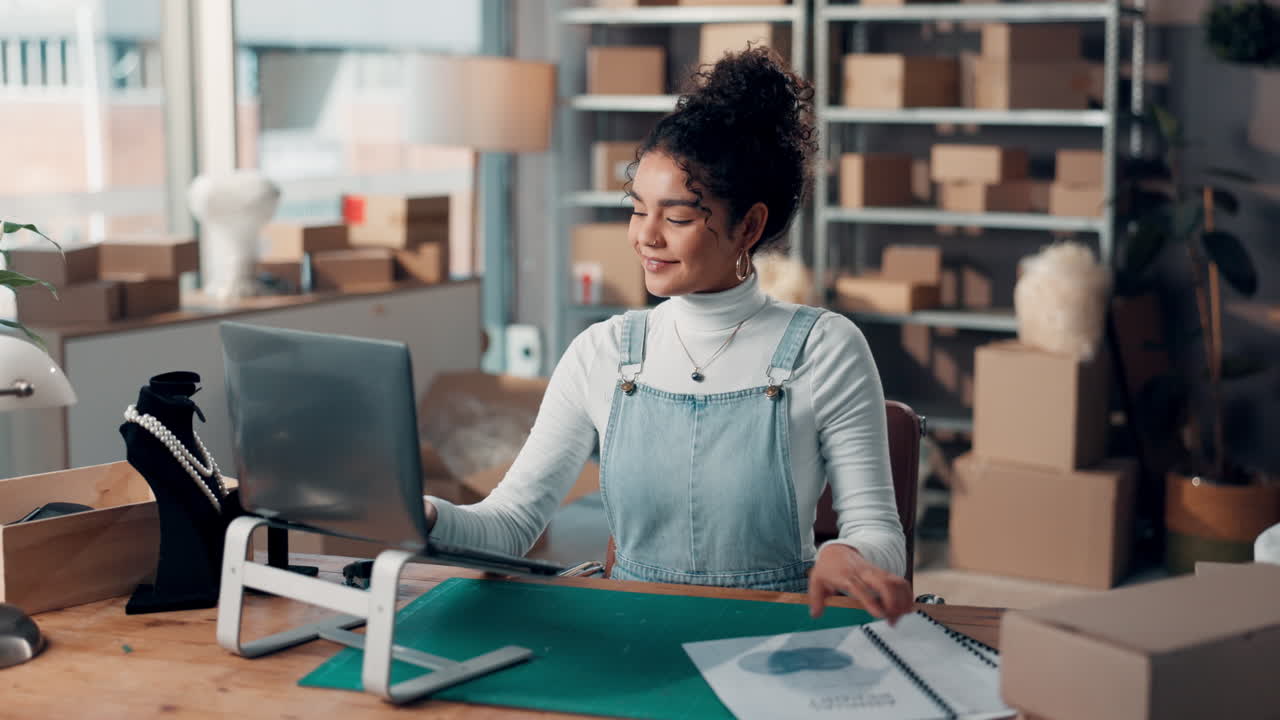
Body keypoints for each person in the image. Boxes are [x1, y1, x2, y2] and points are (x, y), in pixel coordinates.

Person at [425, 46, 912, 623]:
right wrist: (422, 516)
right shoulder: (603, 351)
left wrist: (849, 554)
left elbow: (881, 534)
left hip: (771, 637)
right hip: (631, 633)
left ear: (749, 227)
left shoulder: (825, 348)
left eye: (677, 217)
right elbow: (510, 523)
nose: (646, 237)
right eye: (637, 209)